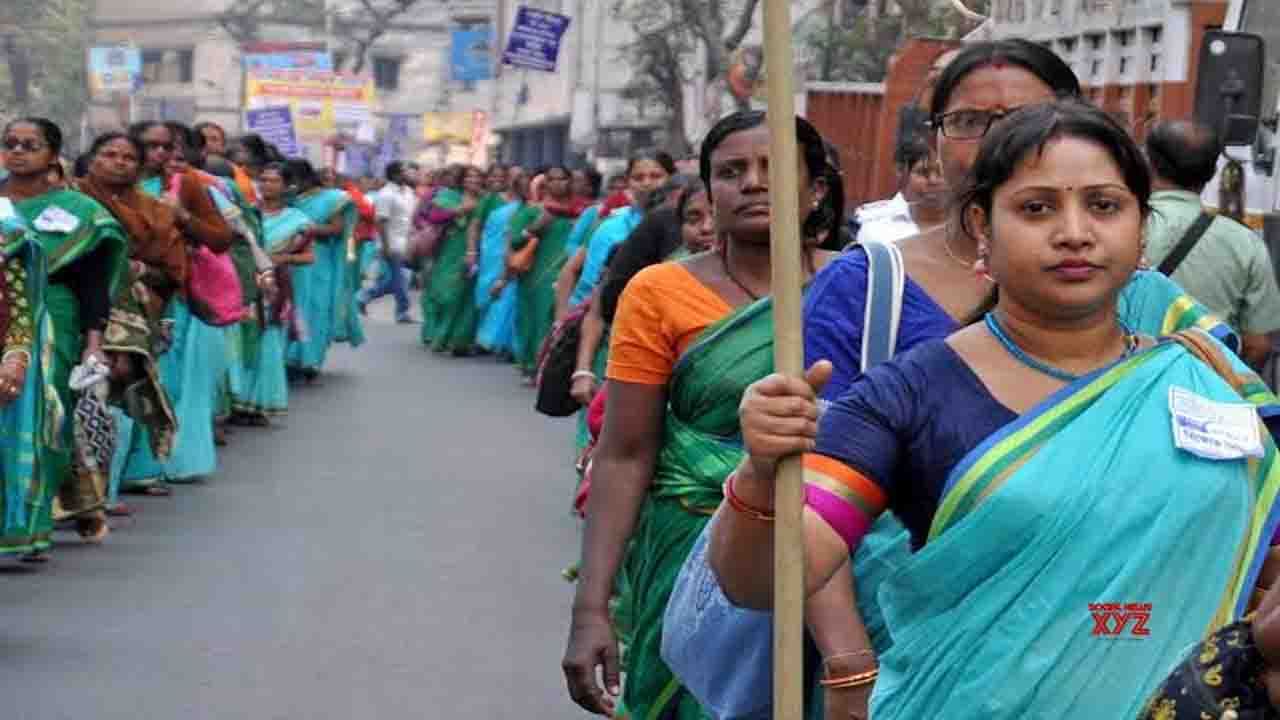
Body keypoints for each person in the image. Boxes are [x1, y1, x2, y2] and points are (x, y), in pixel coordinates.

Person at [660, 40, 1247, 720]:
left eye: (1105, 206)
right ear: (981, 227)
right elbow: (768, 581)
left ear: (1142, 229)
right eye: (1036, 209)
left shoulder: (1201, 372)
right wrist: (761, 478)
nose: (1075, 233)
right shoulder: (911, 394)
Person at [562, 111, 846, 720]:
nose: (752, 183)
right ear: (709, 192)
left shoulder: (860, 286)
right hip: (688, 550)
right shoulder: (658, 292)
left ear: (816, 189)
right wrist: (591, 609)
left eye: (774, 169)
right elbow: (626, 451)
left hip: (825, 553)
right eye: (731, 172)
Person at [0, 118, 129, 560]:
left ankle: (30, 525)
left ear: (52, 155)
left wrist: (94, 344)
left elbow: (93, 284)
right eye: (10, 144)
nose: (17, 152)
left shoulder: (80, 211)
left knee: (43, 417)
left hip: (53, 319)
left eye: (29, 145)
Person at [69, 131, 186, 528]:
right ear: (93, 158)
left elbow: (172, 270)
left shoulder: (155, 211)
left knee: (112, 386)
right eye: (109, 154)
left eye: (127, 157)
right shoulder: (71, 198)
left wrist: (137, 270)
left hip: (130, 308)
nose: (118, 162)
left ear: (139, 167)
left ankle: (101, 493)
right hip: (69, 302)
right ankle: (64, 493)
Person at [117, 121, 234, 491]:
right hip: (120, 295)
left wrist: (181, 216)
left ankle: (157, 465)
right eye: (149, 147)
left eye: (166, 147)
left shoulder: (188, 185)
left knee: (167, 384)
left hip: (170, 298)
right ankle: (118, 472)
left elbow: (221, 239)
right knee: (125, 382)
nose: (159, 154)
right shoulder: (109, 186)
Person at [1144, 119, 1280, 369]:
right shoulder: (1246, 243)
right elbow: (1258, 345)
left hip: (1123, 383)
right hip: (1209, 390)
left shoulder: (1123, 226)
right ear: (1211, 172)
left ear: (1149, 164)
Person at [509, 166, 588, 379]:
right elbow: (514, 241)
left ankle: (556, 368)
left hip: (572, 272)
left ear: (570, 182)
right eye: (551, 180)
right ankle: (534, 364)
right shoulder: (534, 211)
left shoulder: (581, 212)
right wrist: (534, 228)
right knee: (539, 319)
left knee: (566, 319)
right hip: (538, 275)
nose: (557, 184)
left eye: (562, 179)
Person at [285, 158, 359, 381]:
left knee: (315, 308)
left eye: (294, 180)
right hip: (290, 258)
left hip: (318, 259)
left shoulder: (332, 198)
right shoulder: (289, 200)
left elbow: (337, 228)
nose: (292, 185)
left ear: (306, 177)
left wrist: (306, 230)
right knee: (293, 307)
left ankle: (311, 359)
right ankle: (290, 357)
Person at [854, 107, 946, 245]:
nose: (933, 180)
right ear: (902, 171)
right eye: (923, 173)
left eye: (941, 172)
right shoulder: (875, 226)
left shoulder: (965, 226)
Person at [423, 165, 485, 354]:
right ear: (462, 180)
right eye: (468, 177)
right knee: (447, 294)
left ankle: (458, 340)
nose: (472, 181)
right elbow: (433, 216)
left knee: (467, 296)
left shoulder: (486, 199)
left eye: (477, 177)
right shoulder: (449, 196)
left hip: (478, 249)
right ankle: (439, 334)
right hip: (450, 249)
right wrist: (460, 209)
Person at [476, 167, 529, 357]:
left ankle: (512, 345)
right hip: (495, 255)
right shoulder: (492, 201)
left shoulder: (533, 210)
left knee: (511, 298)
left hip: (520, 259)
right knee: (494, 293)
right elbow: (480, 226)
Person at [358, 161, 415, 323]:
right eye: (405, 171)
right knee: (399, 278)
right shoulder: (385, 194)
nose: (409, 173)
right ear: (396, 175)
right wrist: (386, 246)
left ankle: (363, 297)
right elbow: (380, 222)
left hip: (406, 242)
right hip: (391, 243)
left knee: (397, 279)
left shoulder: (409, 192)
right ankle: (402, 311)